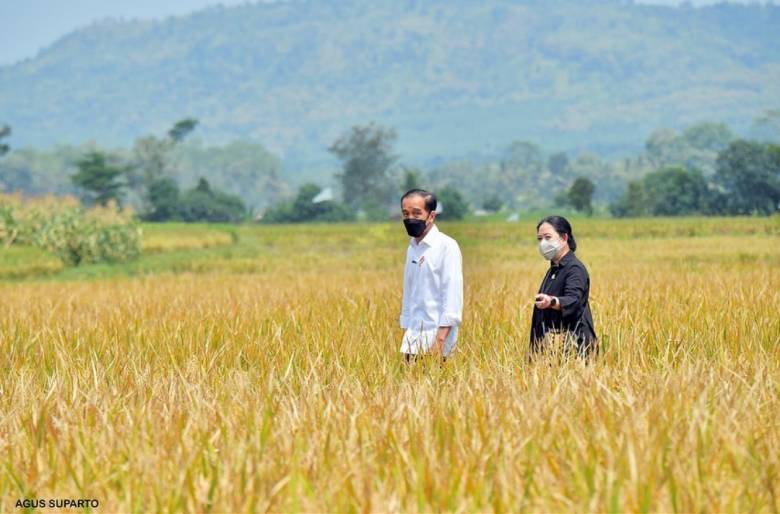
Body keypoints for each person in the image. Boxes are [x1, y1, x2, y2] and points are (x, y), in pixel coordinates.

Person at [399, 189, 463, 362]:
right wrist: (406, 328)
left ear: (431, 216)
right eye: (406, 213)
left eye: (417, 213)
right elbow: (409, 291)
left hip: (436, 341)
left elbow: (452, 295)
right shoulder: (412, 248)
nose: (410, 218)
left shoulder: (446, 246)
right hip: (412, 339)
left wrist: (440, 340)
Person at [530, 215, 598, 358]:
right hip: (552, 350)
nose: (543, 243)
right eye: (540, 239)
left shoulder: (574, 269)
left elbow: (574, 300)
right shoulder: (554, 269)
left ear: (564, 238)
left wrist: (552, 301)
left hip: (573, 349)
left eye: (548, 237)